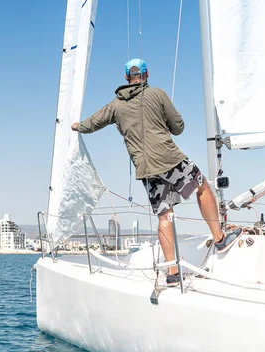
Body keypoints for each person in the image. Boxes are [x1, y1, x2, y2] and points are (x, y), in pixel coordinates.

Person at [71, 58, 242, 285]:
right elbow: (178, 127)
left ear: (126, 78)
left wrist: (76, 126)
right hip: (170, 158)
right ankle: (220, 238)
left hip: (146, 168)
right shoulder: (157, 94)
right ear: (147, 74)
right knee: (201, 187)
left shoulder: (115, 105)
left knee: (164, 215)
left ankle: (172, 272)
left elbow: (92, 124)